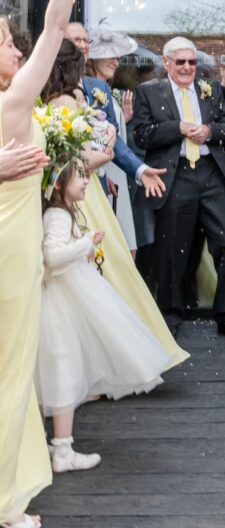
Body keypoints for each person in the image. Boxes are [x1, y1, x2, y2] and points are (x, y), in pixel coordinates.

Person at [0, 0, 97, 528]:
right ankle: (7, 502)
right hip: (8, 257)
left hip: (16, 248)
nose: (17, 48)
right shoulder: (13, 103)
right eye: (7, 43)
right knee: (10, 372)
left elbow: (55, 31)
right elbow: (56, 29)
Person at [42, 42, 188, 371]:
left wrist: (111, 150)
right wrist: (106, 150)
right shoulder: (64, 103)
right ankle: (119, 357)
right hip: (83, 192)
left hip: (88, 190)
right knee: (107, 268)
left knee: (108, 266)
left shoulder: (66, 99)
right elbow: (76, 159)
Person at [36, 162, 169, 473]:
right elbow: (52, 258)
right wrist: (86, 243)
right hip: (58, 305)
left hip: (64, 300)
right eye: (80, 176)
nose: (86, 181)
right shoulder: (57, 215)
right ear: (58, 184)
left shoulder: (64, 212)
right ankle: (62, 449)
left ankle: (49, 443)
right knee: (62, 371)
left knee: (56, 371)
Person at [132, 37, 225, 340]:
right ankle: (171, 315)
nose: (187, 67)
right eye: (180, 61)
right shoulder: (148, 92)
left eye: (191, 62)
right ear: (166, 63)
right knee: (172, 248)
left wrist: (210, 131)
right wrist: (178, 128)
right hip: (176, 175)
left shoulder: (212, 91)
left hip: (212, 174)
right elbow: (142, 136)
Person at [65, 22, 167, 233]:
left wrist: (139, 170)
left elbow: (114, 140)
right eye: (77, 40)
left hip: (95, 185)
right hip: (63, 186)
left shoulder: (99, 88)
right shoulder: (47, 84)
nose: (84, 45)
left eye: (86, 40)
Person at [85, 28, 142, 252]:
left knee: (128, 248)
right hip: (103, 172)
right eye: (111, 55)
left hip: (117, 172)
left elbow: (109, 131)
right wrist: (104, 173)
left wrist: (123, 120)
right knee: (116, 249)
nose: (116, 61)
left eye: (118, 57)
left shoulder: (107, 91)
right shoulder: (87, 89)